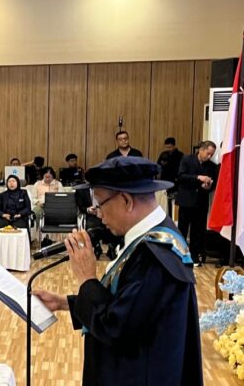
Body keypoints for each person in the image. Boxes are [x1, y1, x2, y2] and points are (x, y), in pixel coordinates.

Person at [34, 156, 202, 386]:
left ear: (126, 200)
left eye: (100, 204)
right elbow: (130, 304)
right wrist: (66, 303)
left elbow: (117, 327)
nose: (98, 214)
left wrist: (87, 278)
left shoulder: (155, 256)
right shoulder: (154, 238)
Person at [177, 140, 218, 266]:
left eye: (212, 154)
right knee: (182, 230)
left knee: (198, 232)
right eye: (208, 153)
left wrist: (208, 186)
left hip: (201, 202)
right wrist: (198, 177)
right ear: (201, 150)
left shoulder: (212, 166)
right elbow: (181, 176)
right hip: (186, 200)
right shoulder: (187, 159)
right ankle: (179, 255)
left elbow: (213, 184)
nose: (209, 156)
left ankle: (194, 256)